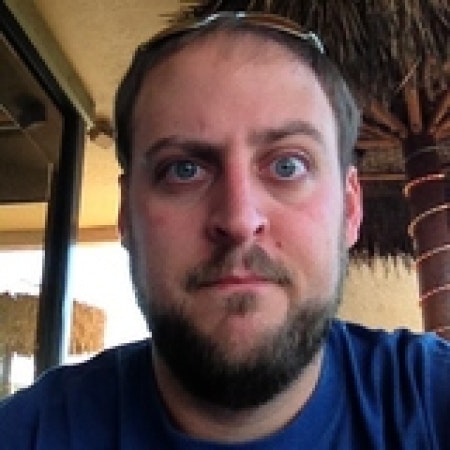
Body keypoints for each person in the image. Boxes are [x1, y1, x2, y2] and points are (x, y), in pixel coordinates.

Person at [1, 11, 449, 449]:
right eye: (183, 170)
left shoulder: (433, 399)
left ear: (350, 208)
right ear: (126, 214)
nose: (238, 220)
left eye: (288, 165)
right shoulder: (24, 433)